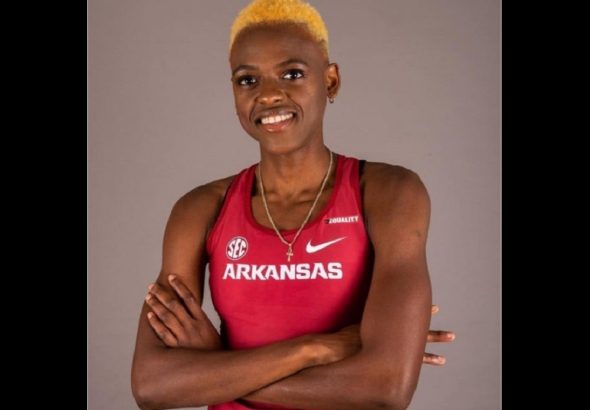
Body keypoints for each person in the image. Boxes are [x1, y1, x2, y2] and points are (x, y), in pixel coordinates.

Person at [131, 1, 455, 409]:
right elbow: (152, 385)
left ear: (331, 81)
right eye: (248, 80)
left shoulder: (387, 193)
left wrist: (215, 366)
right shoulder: (200, 210)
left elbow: (386, 389)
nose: (268, 94)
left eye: (292, 74)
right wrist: (312, 349)